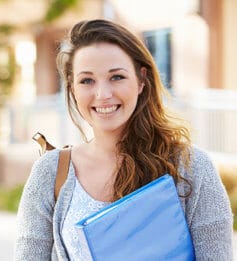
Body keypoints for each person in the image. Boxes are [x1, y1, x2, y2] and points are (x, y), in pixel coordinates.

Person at [15, 19, 233, 260]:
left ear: (141, 80)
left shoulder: (191, 167)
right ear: (72, 89)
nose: (103, 94)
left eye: (116, 77)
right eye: (87, 80)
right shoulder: (50, 172)